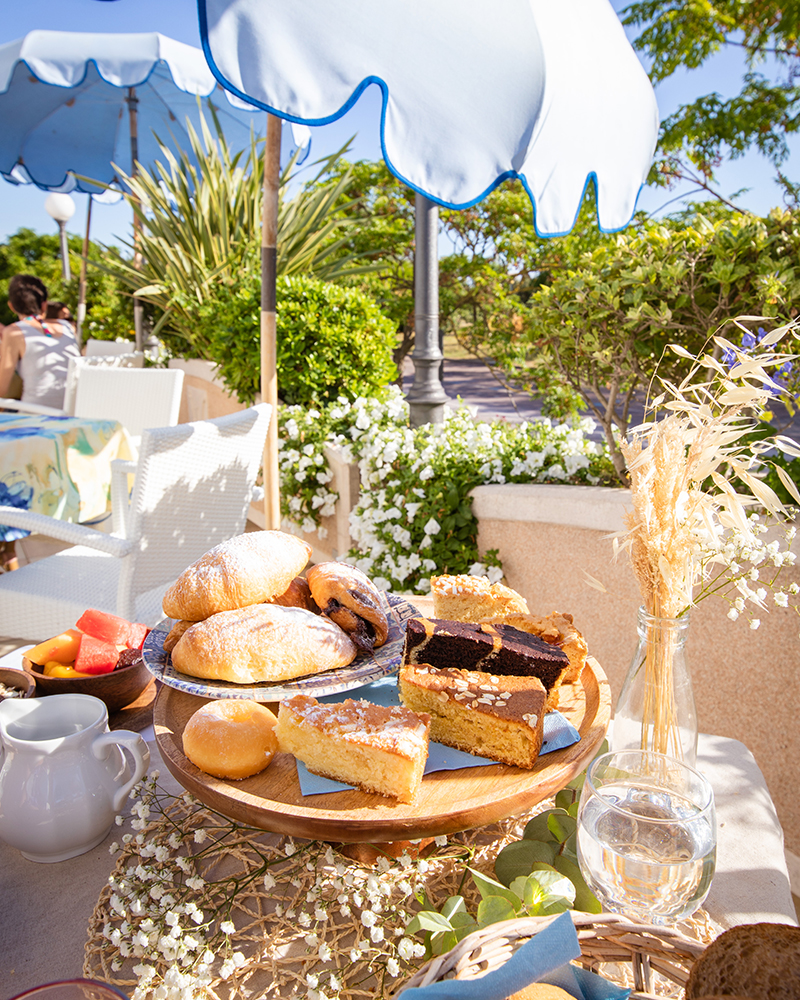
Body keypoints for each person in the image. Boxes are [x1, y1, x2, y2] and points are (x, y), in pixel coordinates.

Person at [0, 275, 80, 409]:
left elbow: (2, 387)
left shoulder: (14, 332)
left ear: (11, 306)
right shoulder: (68, 327)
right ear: (44, 304)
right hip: (73, 413)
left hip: (36, 415)